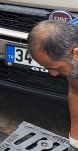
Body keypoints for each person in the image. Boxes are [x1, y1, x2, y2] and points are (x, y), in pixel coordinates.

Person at [28, 18, 78, 150]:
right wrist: (75, 142)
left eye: (57, 68)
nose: (53, 74)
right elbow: (76, 91)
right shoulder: (70, 39)